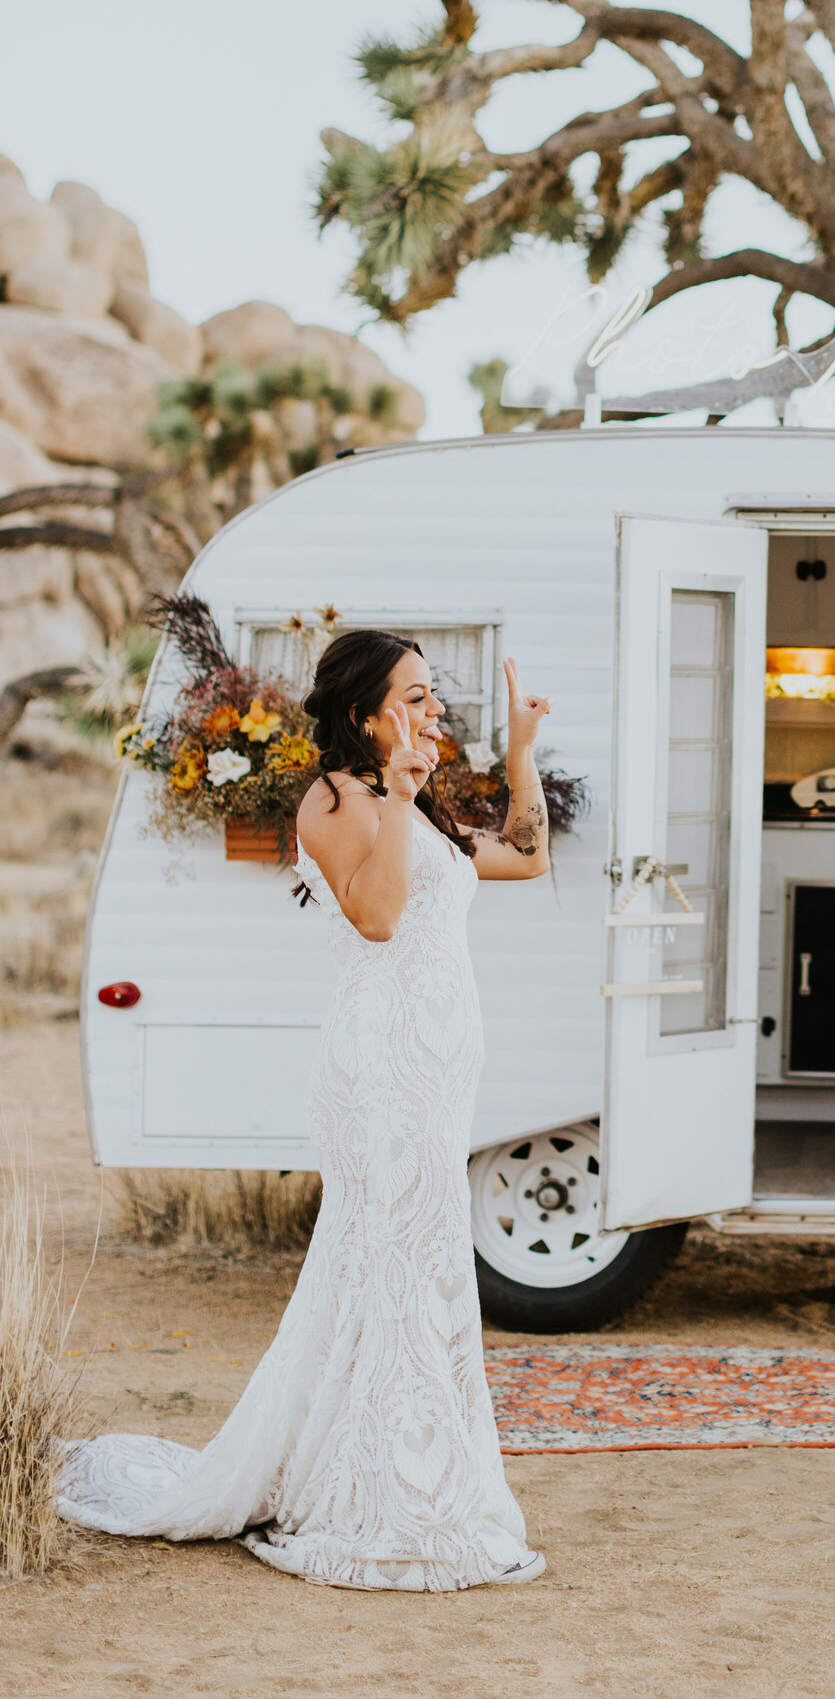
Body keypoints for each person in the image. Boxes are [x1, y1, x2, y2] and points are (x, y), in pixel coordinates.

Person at [59, 628, 554, 1592]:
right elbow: (375, 918)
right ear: (366, 712)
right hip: (379, 1072)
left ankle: (421, 1473)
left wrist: (522, 754)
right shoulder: (332, 798)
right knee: (391, 1261)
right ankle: (382, 1493)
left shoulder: (419, 804)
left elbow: (526, 859)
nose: (430, 711)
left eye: (432, 697)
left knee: (424, 1265)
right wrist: (404, 799)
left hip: (439, 1075)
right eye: (412, 697)